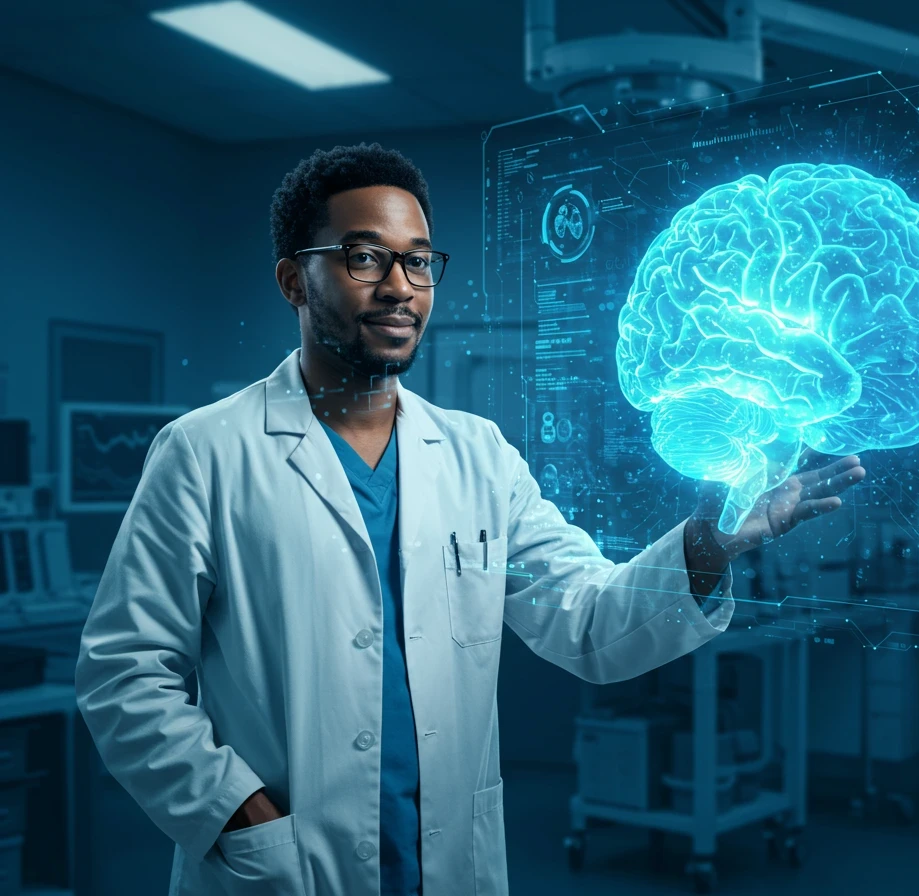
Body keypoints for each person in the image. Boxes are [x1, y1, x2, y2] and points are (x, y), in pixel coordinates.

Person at [75, 143, 866, 896]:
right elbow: (123, 674)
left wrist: (708, 546)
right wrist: (237, 811)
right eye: (363, 257)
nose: (399, 286)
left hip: (445, 859)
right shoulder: (205, 452)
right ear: (293, 280)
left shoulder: (478, 456)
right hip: (281, 867)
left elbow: (586, 623)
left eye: (418, 260)